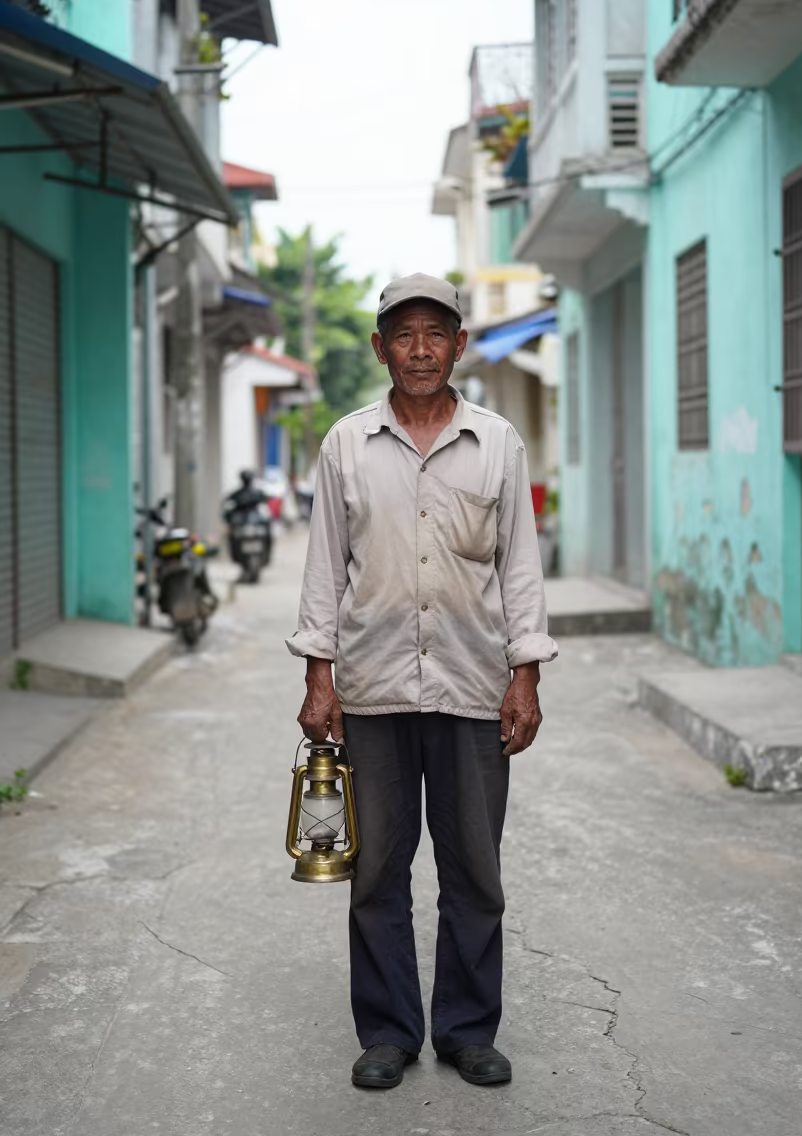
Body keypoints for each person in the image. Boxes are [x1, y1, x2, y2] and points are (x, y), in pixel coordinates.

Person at [286, 273, 558, 1090]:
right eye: (403, 334)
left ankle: (467, 1031)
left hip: (473, 687)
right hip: (372, 689)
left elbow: (520, 569)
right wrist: (319, 677)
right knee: (376, 873)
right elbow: (324, 569)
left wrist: (526, 676)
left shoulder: (497, 443)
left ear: (459, 345)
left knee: (474, 871)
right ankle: (389, 1033)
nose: (419, 350)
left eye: (435, 333)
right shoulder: (347, 443)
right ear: (380, 348)